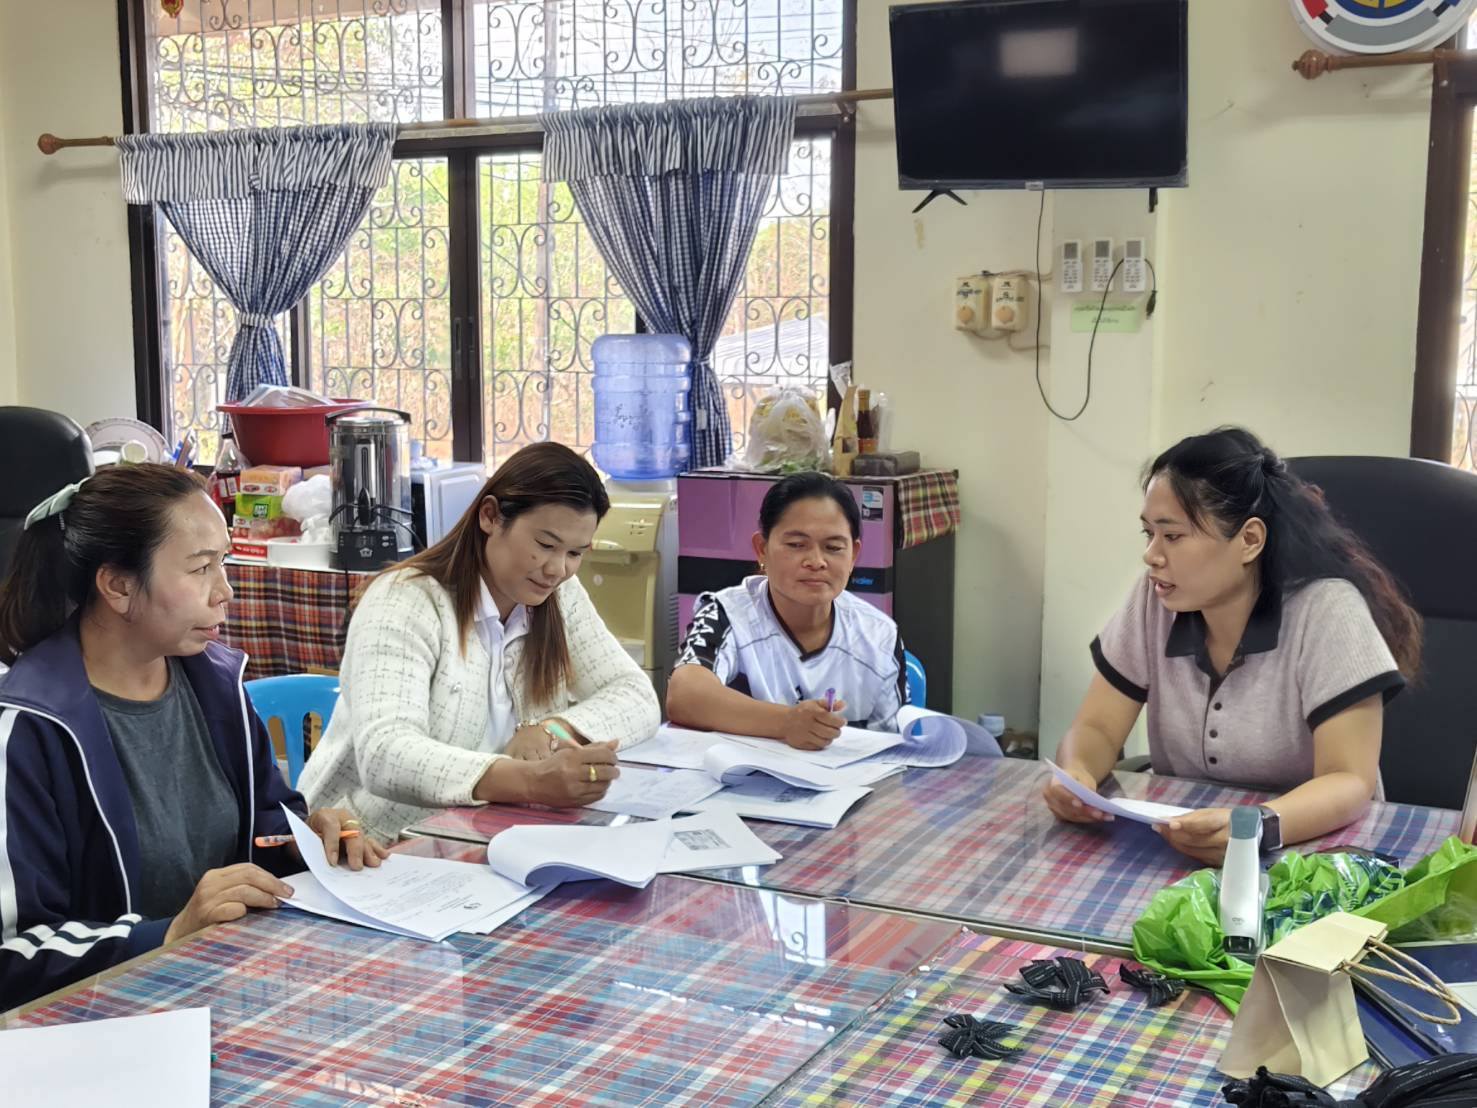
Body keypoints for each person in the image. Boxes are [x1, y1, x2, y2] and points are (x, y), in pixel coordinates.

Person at [0, 464, 382, 1008]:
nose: (225, 591)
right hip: (106, 1024)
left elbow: (263, 825)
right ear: (117, 585)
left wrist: (309, 840)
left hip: (223, 991)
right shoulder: (28, 727)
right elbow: (14, 953)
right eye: (201, 568)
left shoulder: (215, 684)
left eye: (222, 563)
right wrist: (169, 934)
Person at [1043, 428, 1421, 865]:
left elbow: (1349, 780)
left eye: (1173, 536)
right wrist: (1077, 775)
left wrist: (1254, 827)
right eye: (1148, 533)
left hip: (1313, 854)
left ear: (1249, 540)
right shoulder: (1155, 601)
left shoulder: (1327, 611)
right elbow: (1098, 729)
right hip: (1187, 848)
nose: (1151, 555)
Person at [298, 442, 660, 842]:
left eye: (575, 552)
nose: (557, 569)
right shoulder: (405, 600)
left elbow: (637, 696)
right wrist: (528, 780)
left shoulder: (558, 596)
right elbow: (385, 755)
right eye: (545, 545)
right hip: (368, 846)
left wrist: (552, 730)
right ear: (490, 516)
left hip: (482, 840)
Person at [666, 471, 908, 750]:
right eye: (796, 545)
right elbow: (684, 695)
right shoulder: (725, 613)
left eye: (833, 547)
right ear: (761, 549)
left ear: (853, 555)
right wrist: (787, 723)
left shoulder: (880, 635)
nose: (816, 561)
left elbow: (894, 747)